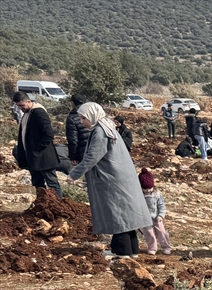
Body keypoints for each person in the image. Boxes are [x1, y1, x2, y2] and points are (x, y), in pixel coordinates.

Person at [65, 103, 148, 258]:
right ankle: (131, 250)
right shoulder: (107, 126)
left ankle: (122, 252)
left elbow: (92, 157)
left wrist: (74, 174)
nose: (82, 122)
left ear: (92, 115)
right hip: (120, 177)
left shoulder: (100, 131)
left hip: (112, 179)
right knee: (126, 214)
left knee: (117, 214)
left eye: (83, 118)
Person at [11, 92, 62, 198]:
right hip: (33, 157)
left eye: (22, 105)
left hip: (44, 157)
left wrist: (37, 149)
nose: (20, 108)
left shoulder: (39, 112)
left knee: (52, 184)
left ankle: (59, 208)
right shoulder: (27, 113)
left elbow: (48, 134)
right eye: (18, 106)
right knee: (38, 184)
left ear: (29, 101)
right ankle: (42, 207)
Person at [139, 169, 171, 255]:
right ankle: (152, 248)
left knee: (162, 232)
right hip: (145, 219)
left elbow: (161, 205)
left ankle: (166, 247)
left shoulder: (157, 194)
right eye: (145, 189)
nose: (148, 190)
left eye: (150, 188)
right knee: (149, 233)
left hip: (156, 217)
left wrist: (161, 215)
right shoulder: (139, 196)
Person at [66, 94, 90, 164]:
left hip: (82, 153)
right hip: (95, 150)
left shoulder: (72, 118)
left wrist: (73, 157)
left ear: (73, 103)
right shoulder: (91, 114)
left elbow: (73, 140)